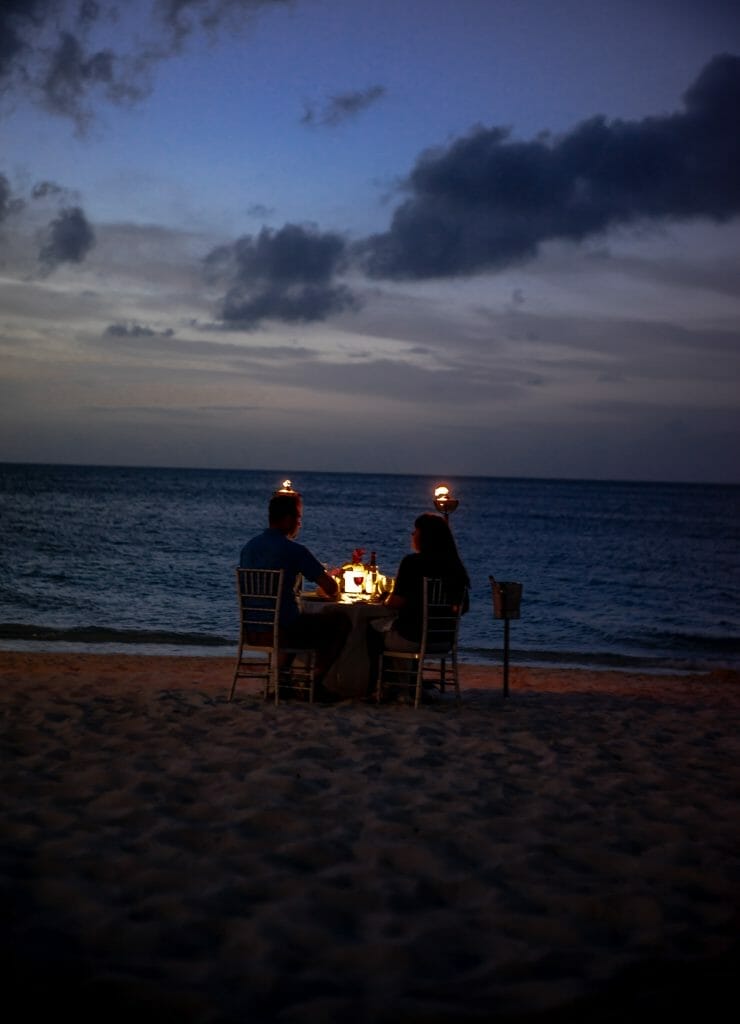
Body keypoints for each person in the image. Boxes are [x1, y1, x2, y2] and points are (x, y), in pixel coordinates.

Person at [240, 490, 351, 700]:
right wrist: (332, 578)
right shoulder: (295, 550)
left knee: (292, 617)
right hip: (282, 632)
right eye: (299, 519)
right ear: (289, 519)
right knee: (340, 621)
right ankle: (315, 683)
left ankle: (283, 683)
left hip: (252, 630)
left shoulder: (249, 548)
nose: (300, 524)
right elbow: (330, 588)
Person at [366, 512, 470, 699]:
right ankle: (412, 685)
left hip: (413, 638)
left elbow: (396, 602)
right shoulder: (455, 567)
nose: (412, 535)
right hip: (443, 640)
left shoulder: (412, 563)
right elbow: (463, 608)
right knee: (404, 628)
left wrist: (385, 600)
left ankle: (381, 687)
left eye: (415, 531)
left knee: (371, 631)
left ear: (424, 536)